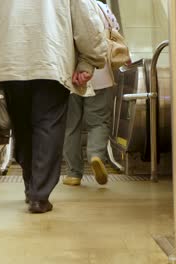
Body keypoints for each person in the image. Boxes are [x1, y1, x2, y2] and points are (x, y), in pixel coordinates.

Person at [0, 0, 107, 214]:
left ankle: (32, 184)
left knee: (22, 126)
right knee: (48, 126)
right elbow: (84, 16)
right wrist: (90, 58)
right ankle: (39, 195)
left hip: (9, 62)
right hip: (51, 60)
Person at [63, 1, 123, 187]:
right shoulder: (102, 8)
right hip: (100, 73)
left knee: (70, 125)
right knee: (98, 121)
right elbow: (115, 29)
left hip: (71, 73)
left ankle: (73, 173)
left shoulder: (65, 7)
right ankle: (96, 155)